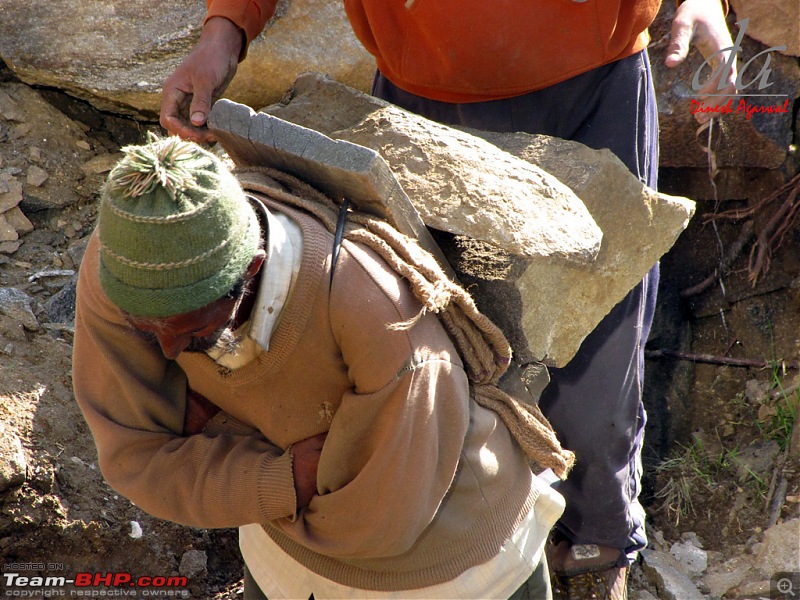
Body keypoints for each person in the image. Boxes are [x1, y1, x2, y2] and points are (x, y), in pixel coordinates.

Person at [159, 2, 737, 599]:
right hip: (416, 101)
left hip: (591, 86)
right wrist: (226, 30)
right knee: (429, 329)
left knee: (596, 362)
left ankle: (596, 540)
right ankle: (469, 528)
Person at [73, 135, 577, 600]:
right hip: (280, 559)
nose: (166, 356)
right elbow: (134, 458)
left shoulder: (379, 316)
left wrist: (226, 455)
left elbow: (381, 522)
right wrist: (284, 478)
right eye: (146, 330)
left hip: (456, 565)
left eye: (193, 335)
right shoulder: (126, 269)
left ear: (250, 269)